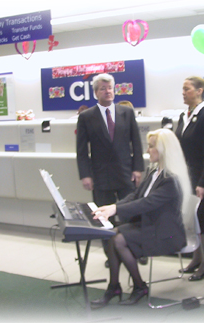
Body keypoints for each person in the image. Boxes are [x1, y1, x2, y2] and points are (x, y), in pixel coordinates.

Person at [90, 128, 191, 308]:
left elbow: (146, 203)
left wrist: (115, 209)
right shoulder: (155, 171)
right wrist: (113, 206)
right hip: (153, 226)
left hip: (167, 234)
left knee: (118, 239)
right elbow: (136, 196)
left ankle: (137, 287)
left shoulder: (170, 180)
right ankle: (116, 286)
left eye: (151, 147)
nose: (147, 151)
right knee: (113, 236)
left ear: (163, 150)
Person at [76, 73, 145, 268]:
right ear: (96, 92)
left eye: (110, 88)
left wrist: (138, 169)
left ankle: (136, 250)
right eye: (103, 89)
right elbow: (81, 150)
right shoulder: (86, 117)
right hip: (100, 175)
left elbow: (137, 144)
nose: (108, 91)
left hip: (126, 173)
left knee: (131, 214)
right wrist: (85, 174)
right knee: (104, 218)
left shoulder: (127, 113)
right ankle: (112, 255)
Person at [175, 76, 204, 281]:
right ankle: (196, 259)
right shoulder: (184, 116)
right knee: (193, 221)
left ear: (200, 91)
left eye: (187, 89)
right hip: (187, 177)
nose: (183, 92)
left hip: (202, 178)